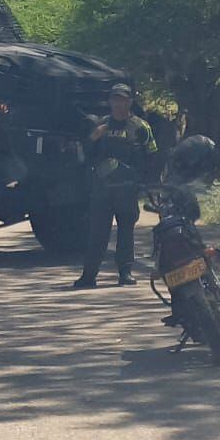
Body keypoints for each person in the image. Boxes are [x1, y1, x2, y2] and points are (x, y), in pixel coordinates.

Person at [71, 84, 158, 289]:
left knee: (126, 232)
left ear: (130, 102)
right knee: (97, 234)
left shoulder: (140, 127)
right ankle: (89, 276)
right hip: (102, 189)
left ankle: (125, 273)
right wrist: (94, 138)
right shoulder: (100, 125)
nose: (119, 104)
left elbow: (152, 155)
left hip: (128, 188)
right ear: (110, 102)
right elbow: (85, 153)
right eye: (115, 99)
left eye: (123, 100)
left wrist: (147, 184)